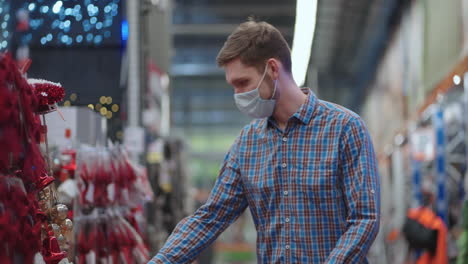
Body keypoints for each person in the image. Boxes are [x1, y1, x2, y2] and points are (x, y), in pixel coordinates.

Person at [148, 19, 380, 264]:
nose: (238, 95)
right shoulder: (248, 144)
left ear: (272, 69)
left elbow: (365, 218)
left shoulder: (344, 128)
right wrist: (161, 261)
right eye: (233, 86)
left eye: (243, 83)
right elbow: (211, 217)